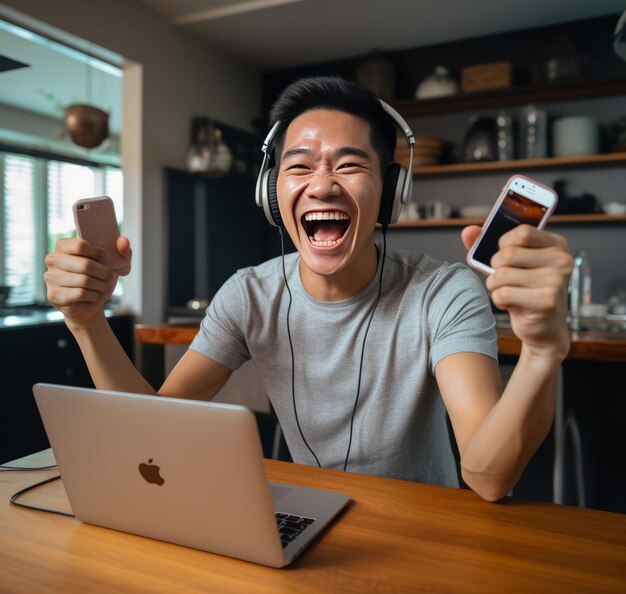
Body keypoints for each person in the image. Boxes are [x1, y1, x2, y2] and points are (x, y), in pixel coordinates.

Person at [44, 76, 573, 501]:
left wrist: (542, 352)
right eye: (299, 166)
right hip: (312, 518)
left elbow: (487, 476)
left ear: (389, 194)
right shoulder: (248, 295)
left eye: (349, 164)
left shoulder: (443, 291)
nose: (321, 184)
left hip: (427, 529)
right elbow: (151, 430)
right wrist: (86, 321)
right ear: (272, 194)